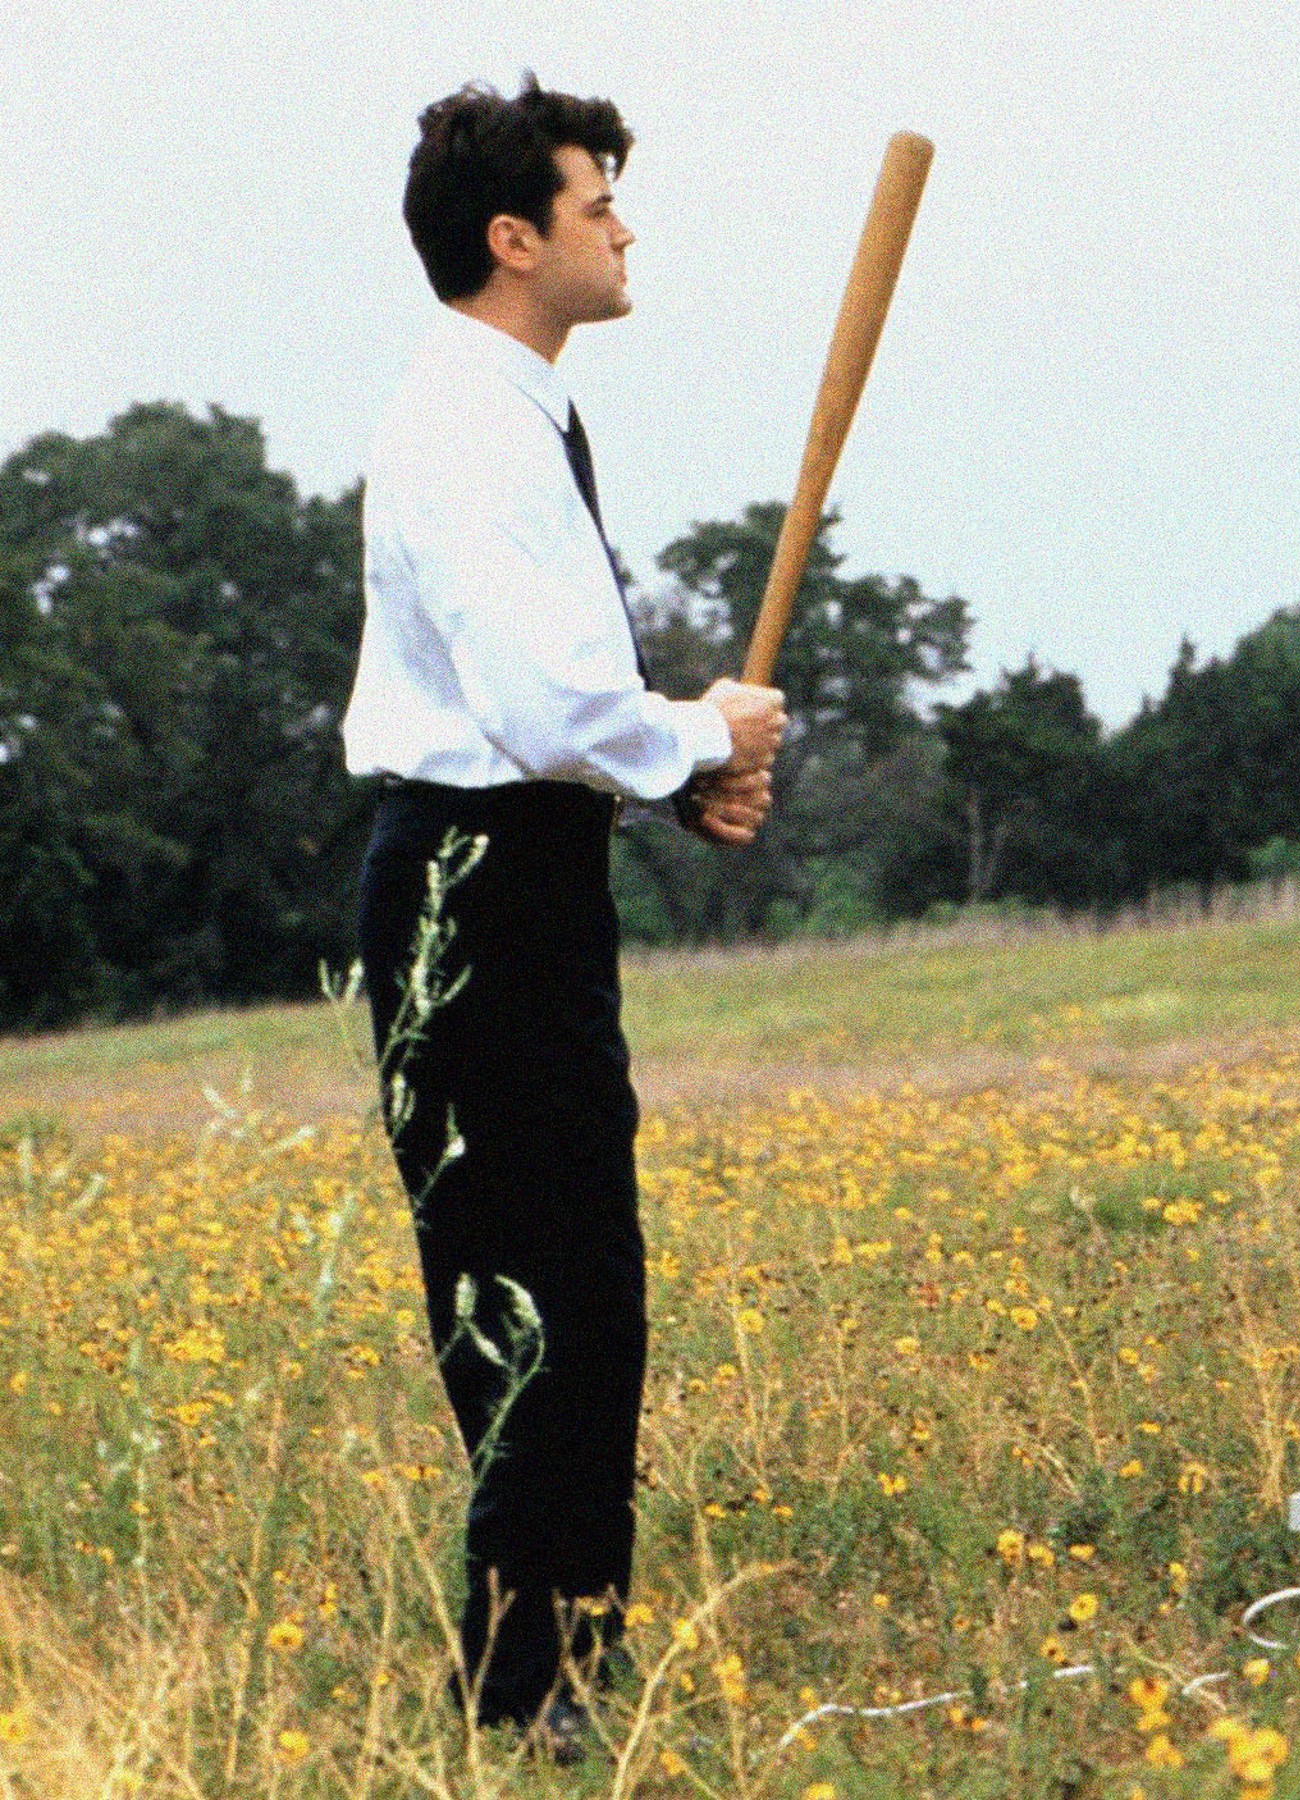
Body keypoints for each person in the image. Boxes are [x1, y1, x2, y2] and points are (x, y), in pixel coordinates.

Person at [342, 77, 785, 1745]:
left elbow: (560, 706)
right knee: (538, 1293)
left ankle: (554, 1674)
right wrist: (694, 739)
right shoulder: (469, 422)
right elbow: (542, 706)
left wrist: (675, 758)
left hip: (519, 866)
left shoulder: (509, 411)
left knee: (575, 1283)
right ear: (513, 236)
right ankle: (529, 1697)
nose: (623, 225)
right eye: (598, 200)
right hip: (476, 881)